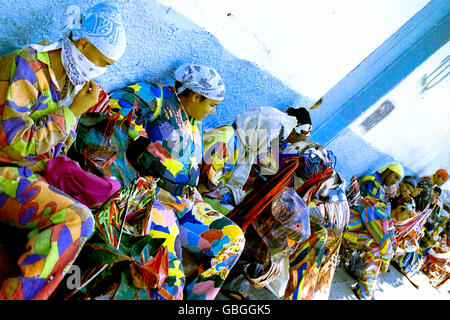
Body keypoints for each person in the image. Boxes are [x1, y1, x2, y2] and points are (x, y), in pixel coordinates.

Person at [75, 63, 245, 300]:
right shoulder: (157, 96)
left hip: (186, 201)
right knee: (169, 276)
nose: (214, 112)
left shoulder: (195, 119)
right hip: (154, 199)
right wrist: (141, 151)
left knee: (232, 240)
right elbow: (115, 108)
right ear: (196, 96)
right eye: (212, 105)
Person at [0, 2, 126, 300]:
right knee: (78, 220)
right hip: (5, 168)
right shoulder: (26, 67)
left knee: (110, 210)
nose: (102, 71)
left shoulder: (71, 80)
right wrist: (71, 112)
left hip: (30, 173)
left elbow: (57, 147)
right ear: (82, 43)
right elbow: (13, 145)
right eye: (103, 61)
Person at [199, 106, 298, 215]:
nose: (268, 146)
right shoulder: (227, 143)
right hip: (200, 192)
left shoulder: (245, 143)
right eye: (268, 140)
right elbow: (206, 185)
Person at [342, 195, 413, 300]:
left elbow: (391, 238)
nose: (407, 217)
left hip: (353, 234)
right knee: (377, 247)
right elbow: (383, 239)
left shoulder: (388, 217)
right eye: (407, 214)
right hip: (343, 231)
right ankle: (365, 291)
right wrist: (386, 260)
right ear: (399, 208)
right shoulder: (377, 207)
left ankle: (367, 288)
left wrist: (396, 250)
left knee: (380, 248)